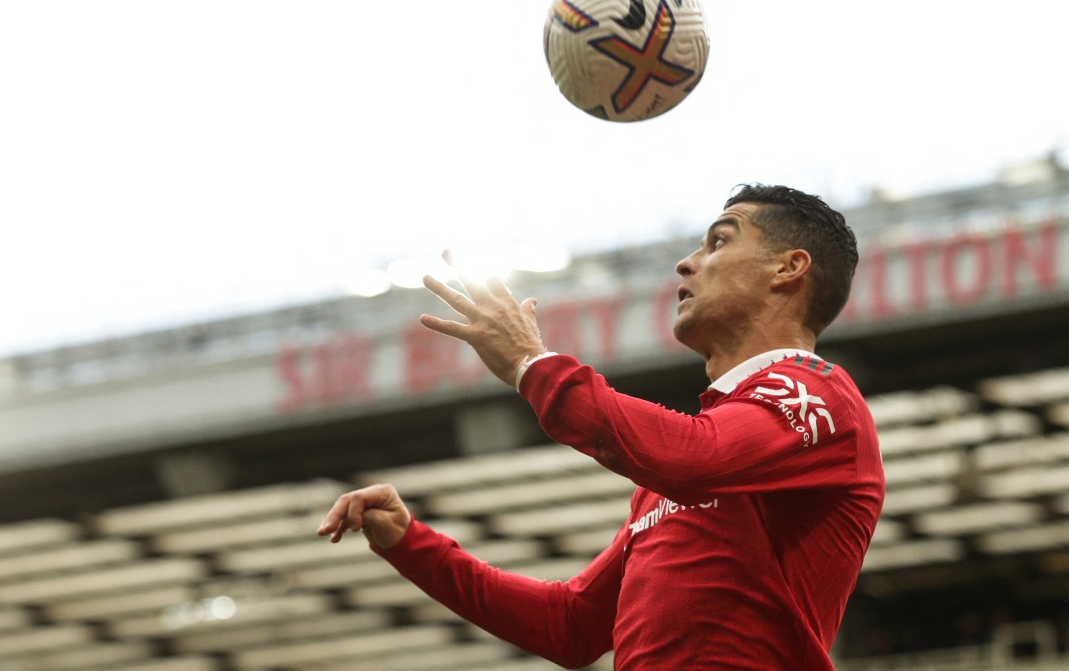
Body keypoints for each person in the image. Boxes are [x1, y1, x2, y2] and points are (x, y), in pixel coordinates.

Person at [318, 184, 885, 670]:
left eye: (720, 241)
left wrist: (532, 365)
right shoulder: (685, 465)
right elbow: (571, 625)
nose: (687, 264)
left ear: (788, 269)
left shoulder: (817, 393)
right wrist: (412, 543)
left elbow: (694, 458)